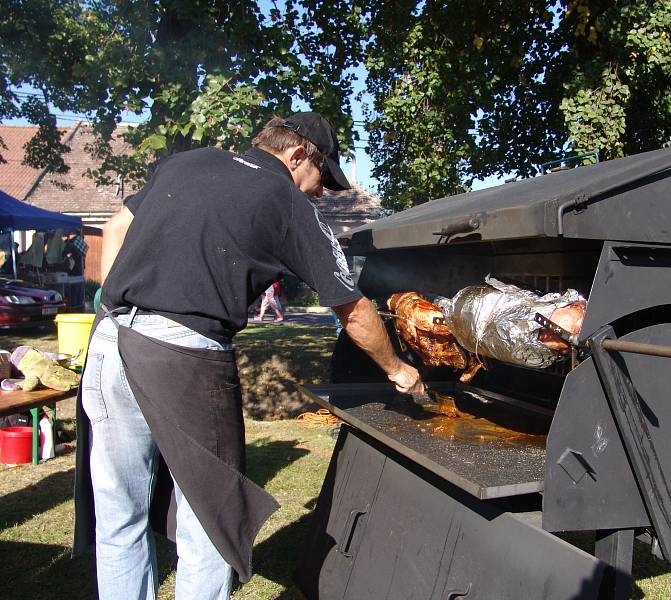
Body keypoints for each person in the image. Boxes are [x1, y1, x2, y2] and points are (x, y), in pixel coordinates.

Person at [72, 112, 424, 600]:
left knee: (119, 514)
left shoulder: (186, 163)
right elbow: (353, 307)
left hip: (109, 342)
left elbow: (113, 229)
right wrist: (399, 370)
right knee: (214, 523)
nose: (320, 192)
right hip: (184, 355)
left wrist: (117, 310)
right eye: (321, 176)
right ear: (298, 155)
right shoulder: (284, 199)